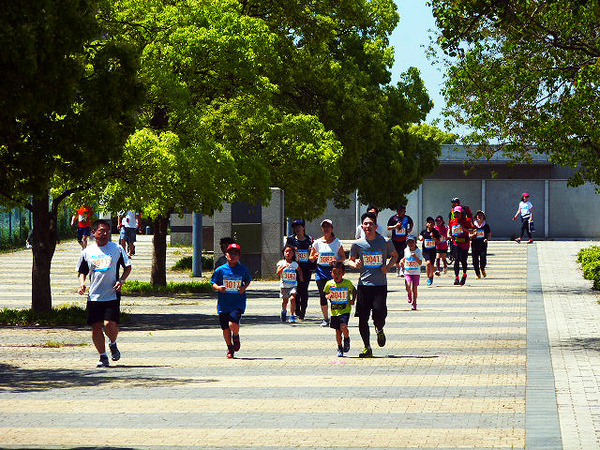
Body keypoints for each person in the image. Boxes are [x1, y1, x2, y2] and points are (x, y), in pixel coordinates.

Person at [77, 219, 131, 367]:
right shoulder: (87, 252)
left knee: (109, 324)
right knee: (95, 326)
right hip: (94, 295)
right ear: (94, 233)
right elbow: (82, 271)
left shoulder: (117, 248)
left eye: (107, 231)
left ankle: (113, 343)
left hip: (112, 294)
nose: (105, 234)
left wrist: (121, 280)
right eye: (101, 231)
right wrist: (82, 283)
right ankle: (102, 356)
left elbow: (128, 267)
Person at [348, 212, 398, 358]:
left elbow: (395, 255)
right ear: (362, 227)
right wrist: (355, 264)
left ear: (376, 226)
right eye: (366, 224)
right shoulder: (357, 244)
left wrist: (388, 267)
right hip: (364, 285)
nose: (368, 226)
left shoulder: (385, 241)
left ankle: (379, 329)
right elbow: (350, 260)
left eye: (371, 224)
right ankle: (367, 347)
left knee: (379, 314)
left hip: (380, 285)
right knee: (362, 318)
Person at [210, 243, 251, 359]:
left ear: (239, 256)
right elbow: (213, 282)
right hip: (224, 303)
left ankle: (236, 336)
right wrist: (218, 288)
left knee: (233, 323)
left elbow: (248, 280)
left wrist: (244, 288)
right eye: (230, 254)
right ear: (226, 255)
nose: (232, 256)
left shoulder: (243, 269)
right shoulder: (220, 270)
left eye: (235, 254)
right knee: (225, 327)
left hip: (237, 302)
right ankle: (229, 347)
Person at [309, 219, 346, 327]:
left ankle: (337, 316)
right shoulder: (317, 242)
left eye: (328, 226)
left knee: (334, 295)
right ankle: (325, 319)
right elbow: (310, 257)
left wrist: (336, 260)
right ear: (322, 229)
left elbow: (343, 257)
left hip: (333, 272)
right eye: (324, 227)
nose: (326, 229)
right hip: (320, 271)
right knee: (322, 295)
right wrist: (313, 257)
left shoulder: (337, 242)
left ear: (332, 228)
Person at [324, 262, 356, 357]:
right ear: (331, 273)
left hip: (345, 310)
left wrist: (352, 300)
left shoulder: (347, 283)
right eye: (334, 273)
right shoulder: (329, 284)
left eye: (339, 273)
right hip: (334, 311)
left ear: (343, 273)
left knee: (343, 326)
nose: (336, 275)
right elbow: (325, 293)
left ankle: (346, 338)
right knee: (337, 331)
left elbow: (354, 290)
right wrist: (328, 296)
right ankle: (339, 347)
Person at [285, 219, 314, 320]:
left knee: (304, 290)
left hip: (306, 269)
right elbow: (285, 251)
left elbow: (313, 253)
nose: (297, 229)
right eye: (295, 227)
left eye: (299, 226)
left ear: (303, 227)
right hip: (294, 269)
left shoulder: (309, 239)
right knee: (295, 289)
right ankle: (296, 309)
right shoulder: (291, 239)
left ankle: (303, 310)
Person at [276, 245, 303, 323]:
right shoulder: (281, 263)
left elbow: (299, 270)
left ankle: (292, 315)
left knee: (292, 298)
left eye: (290, 252)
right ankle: (284, 311)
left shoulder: (294, 264)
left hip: (293, 285)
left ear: (293, 254)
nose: (288, 253)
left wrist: (301, 277)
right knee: (285, 301)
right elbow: (278, 273)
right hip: (284, 285)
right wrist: (283, 267)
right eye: (286, 252)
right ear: (284, 253)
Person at [448, 206, 473, 286]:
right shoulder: (453, 221)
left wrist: (464, 229)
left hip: (465, 242)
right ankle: (456, 277)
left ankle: (464, 274)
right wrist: (449, 234)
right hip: (456, 242)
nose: (457, 214)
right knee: (456, 259)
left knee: (463, 260)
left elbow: (472, 230)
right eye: (455, 213)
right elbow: (450, 229)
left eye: (458, 213)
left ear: (462, 213)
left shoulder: (467, 221)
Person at [387, 205, 413, 276]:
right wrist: (395, 226)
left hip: (404, 240)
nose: (404, 213)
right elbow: (388, 227)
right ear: (398, 211)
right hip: (395, 240)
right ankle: (397, 269)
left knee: (403, 254)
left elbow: (411, 224)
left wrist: (410, 230)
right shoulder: (393, 218)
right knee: (396, 255)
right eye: (402, 211)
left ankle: (402, 269)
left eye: (404, 211)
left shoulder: (407, 218)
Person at [400, 235, 422, 310]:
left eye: (412, 242)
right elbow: (405, 258)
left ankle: (414, 302)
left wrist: (415, 257)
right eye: (408, 242)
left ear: (415, 243)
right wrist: (402, 262)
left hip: (416, 272)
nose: (410, 244)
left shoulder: (418, 251)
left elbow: (420, 263)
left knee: (414, 288)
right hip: (408, 271)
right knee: (408, 285)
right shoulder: (406, 250)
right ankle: (409, 294)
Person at [419, 217, 441, 286]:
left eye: (432, 223)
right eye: (429, 223)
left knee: (432, 265)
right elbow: (420, 236)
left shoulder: (435, 232)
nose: (431, 224)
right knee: (428, 263)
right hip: (426, 250)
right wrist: (421, 238)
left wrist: (433, 238)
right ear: (427, 224)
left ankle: (431, 276)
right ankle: (428, 277)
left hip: (433, 250)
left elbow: (439, 241)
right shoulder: (424, 232)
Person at [471, 210, 492, 278]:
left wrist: (487, 239)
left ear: (483, 217)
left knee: (483, 258)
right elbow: (469, 233)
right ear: (476, 217)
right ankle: (478, 274)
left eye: (481, 215)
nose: (479, 217)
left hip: (483, 243)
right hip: (475, 243)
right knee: (475, 259)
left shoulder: (486, 225)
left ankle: (482, 268)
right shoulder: (473, 225)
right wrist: (472, 235)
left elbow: (489, 234)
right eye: (478, 215)